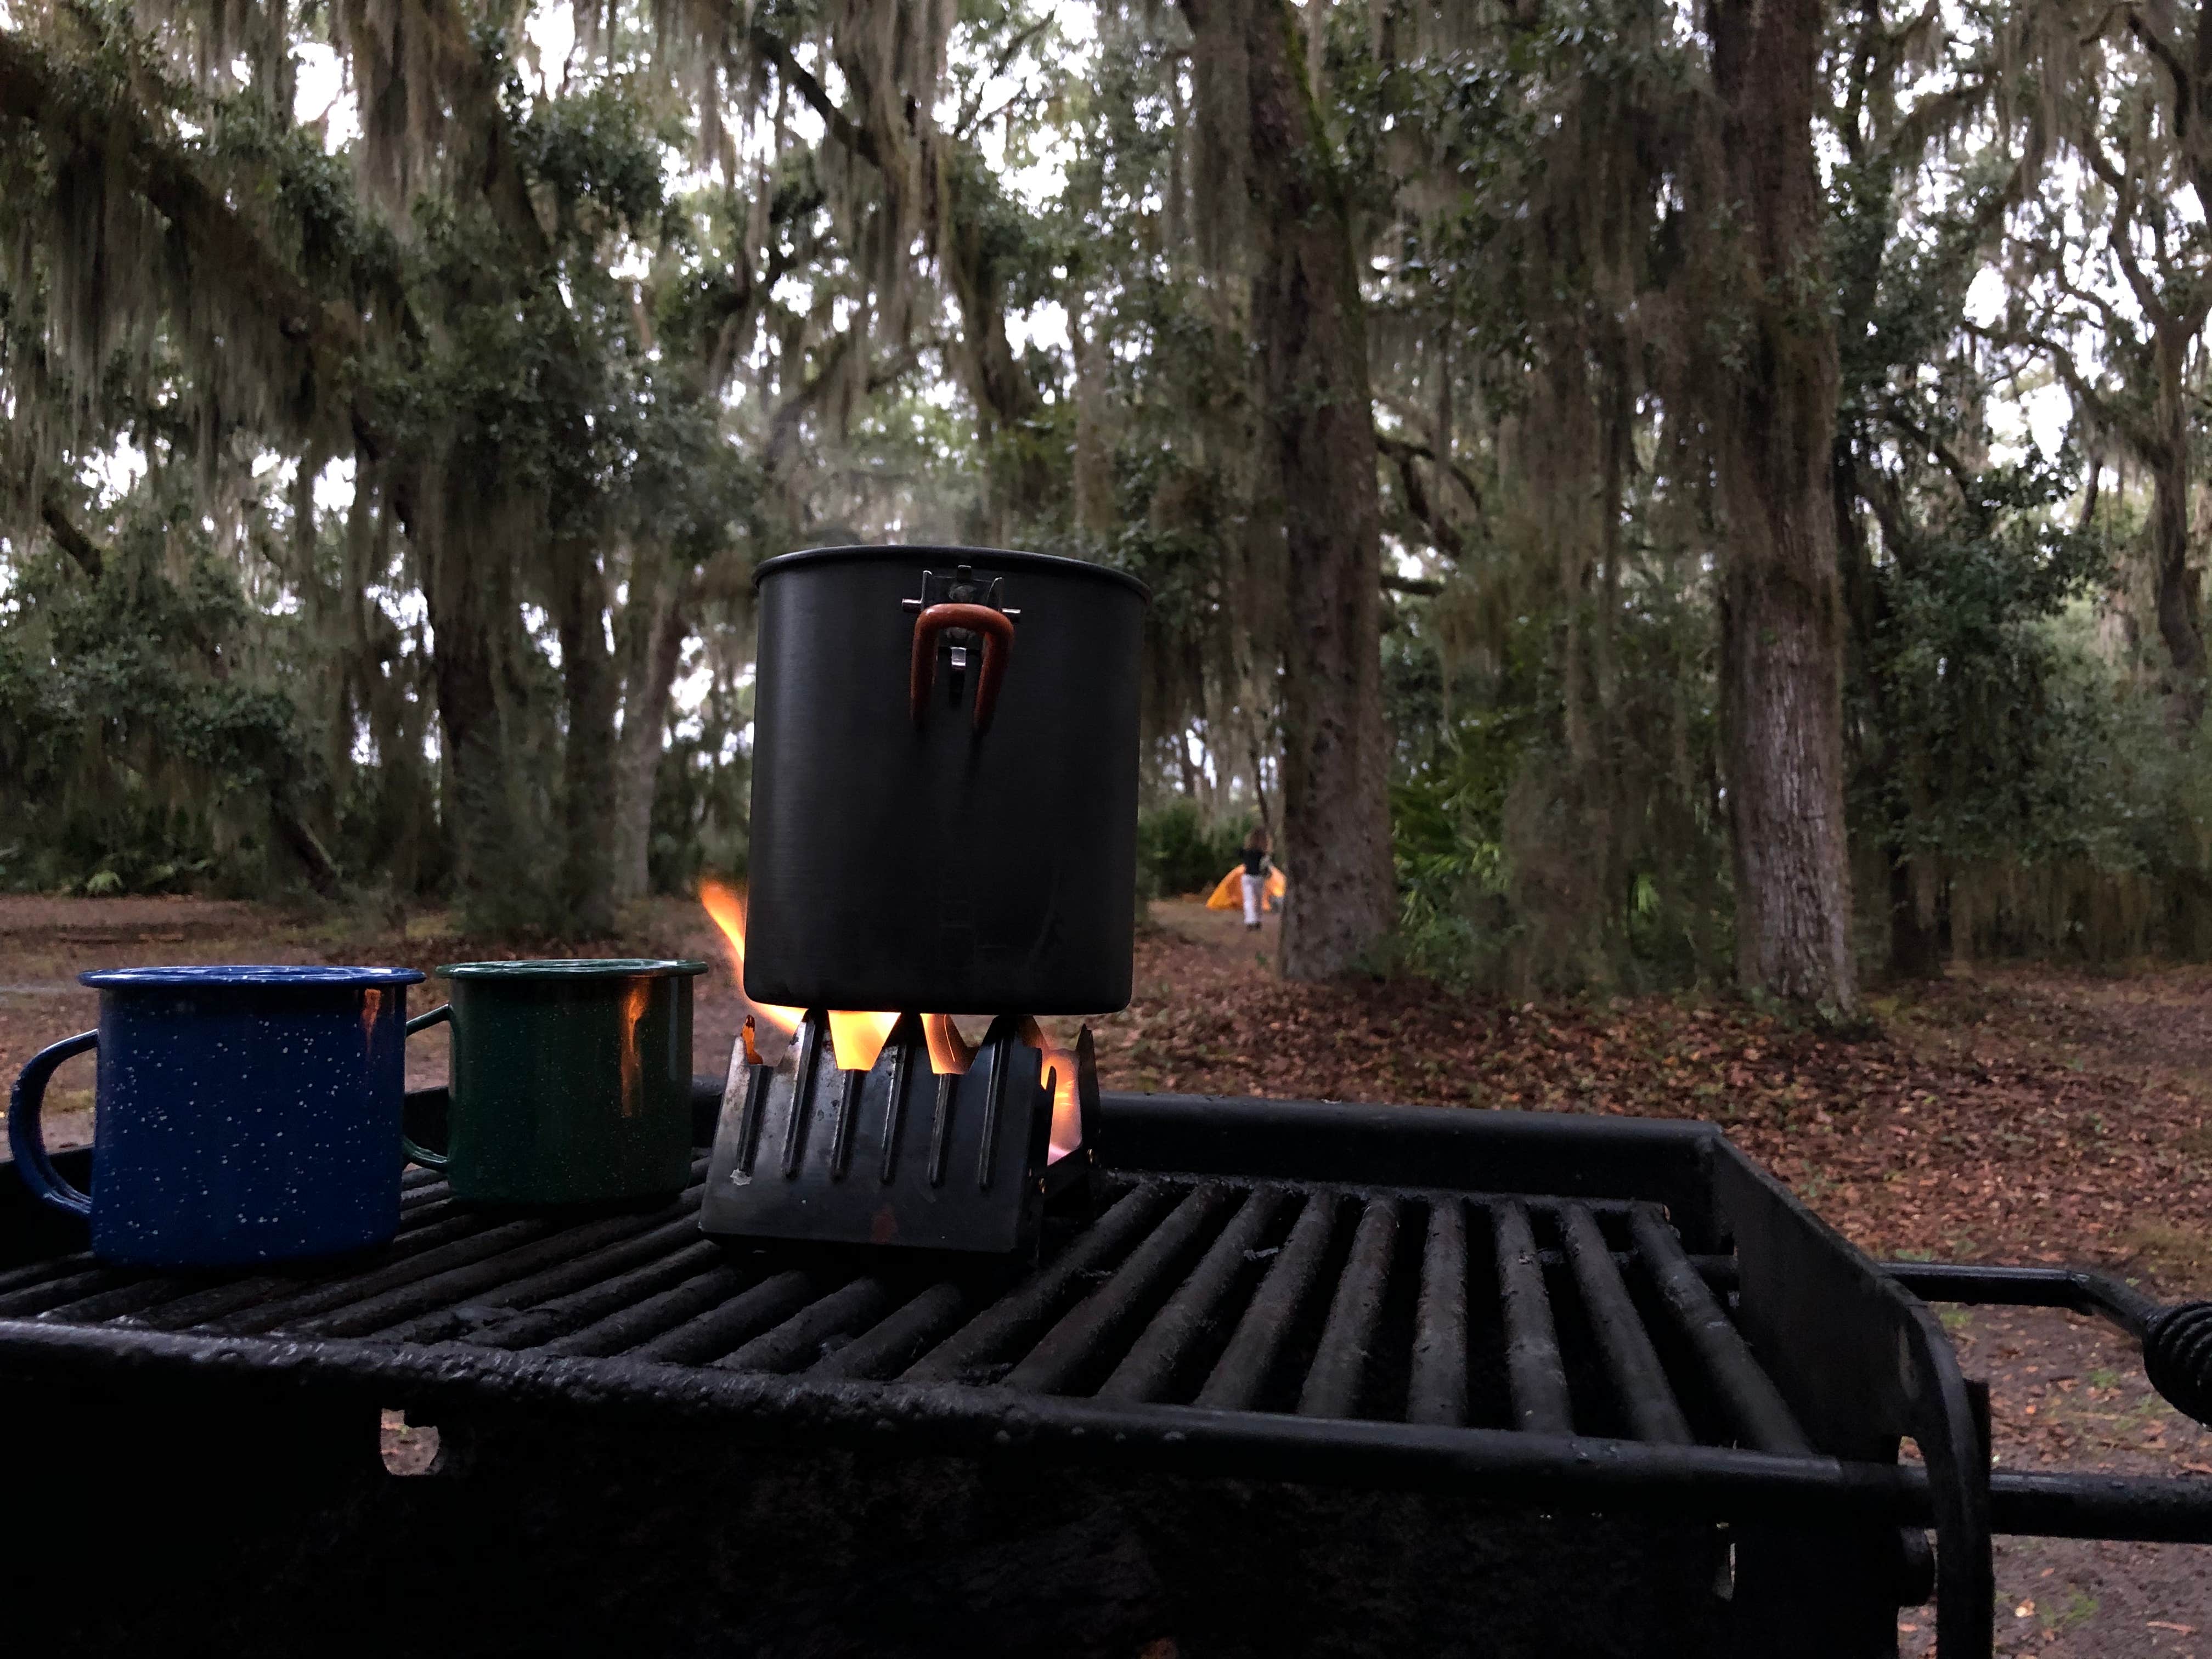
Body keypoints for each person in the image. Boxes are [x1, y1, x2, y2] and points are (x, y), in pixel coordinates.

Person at [1239, 828, 1273, 930]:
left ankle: (1250, 921)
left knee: (1248, 901)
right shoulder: (1264, 854)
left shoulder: (1246, 852)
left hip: (1247, 877)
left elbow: (1238, 853)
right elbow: (1267, 867)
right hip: (1259, 878)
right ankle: (1258, 921)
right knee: (1259, 901)